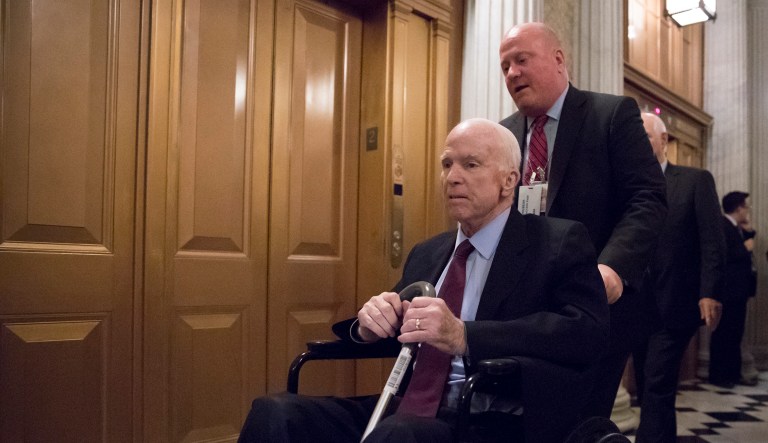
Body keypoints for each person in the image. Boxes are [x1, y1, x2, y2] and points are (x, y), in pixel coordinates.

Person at [237, 118, 610, 443]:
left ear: (508, 180)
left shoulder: (556, 242)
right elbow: (400, 321)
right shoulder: (428, 253)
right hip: (407, 406)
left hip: (488, 415)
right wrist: (370, 324)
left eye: (471, 164)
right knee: (274, 412)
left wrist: (465, 336)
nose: (453, 177)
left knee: (399, 434)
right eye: (447, 164)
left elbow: (585, 331)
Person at [498, 22, 668, 418]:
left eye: (522, 60)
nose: (512, 74)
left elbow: (648, 198)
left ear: (558, 60)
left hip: (594, 309)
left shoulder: (609, 115)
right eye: (505, 66)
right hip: (522, 314)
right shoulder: (502, 135)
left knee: (578, 424)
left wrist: (612, 269)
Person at [630, 112, 726, 443]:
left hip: (675, 303)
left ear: (664, 141)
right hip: (633, 306)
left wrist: (709, 292)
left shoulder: (694, 181)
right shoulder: (626, 186)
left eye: (644, 135)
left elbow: (713, 241)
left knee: (656, 382)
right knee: (649, 387)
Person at [709, 191, 757, 388]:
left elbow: (745, 237)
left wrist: (749, 231)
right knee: (725, 332)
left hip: (739, 290)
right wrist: (745, 249)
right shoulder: (722, 225)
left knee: (736, 332)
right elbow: (723, 254)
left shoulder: (734, 227)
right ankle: (721, 375)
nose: (747, 211)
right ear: (738, 208)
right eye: (745, 207)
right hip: (729, 290)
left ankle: (733, 374)